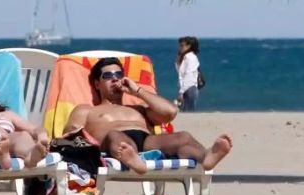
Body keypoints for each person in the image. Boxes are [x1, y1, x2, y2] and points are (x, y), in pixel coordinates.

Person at [64, 57, 231, 174]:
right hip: (112, 143)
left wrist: (137, 91)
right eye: (108, 76)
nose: (115, 80)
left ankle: (206, 158)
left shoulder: (140, 108)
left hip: (145, 142)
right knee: (117, 136)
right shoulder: (86, 110)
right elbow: (70, 136)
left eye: (119, 75)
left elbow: (171, 112)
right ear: (97, 84)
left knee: (183, 137)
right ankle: (133, 159)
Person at [175, 36, 201, 111]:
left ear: (189, 46)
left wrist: (181, 92)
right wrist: (178, 59)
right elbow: (181, 73)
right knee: (186, 111)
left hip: (189, 88)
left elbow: (188, 76)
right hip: (187, 88)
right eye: (180, 45)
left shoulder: (190, 58)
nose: (180, 47)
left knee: (188, 112)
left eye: (182, 45)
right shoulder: (186, 57)